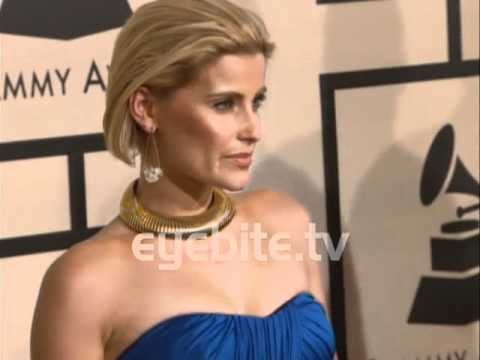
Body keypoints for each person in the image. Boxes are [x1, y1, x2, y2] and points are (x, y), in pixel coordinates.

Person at [30, 0, 337, 359]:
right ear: (145, 108)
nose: (254, 129)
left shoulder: (288, 223)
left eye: (257, 102)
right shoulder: (85, 284)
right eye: (224, 104)